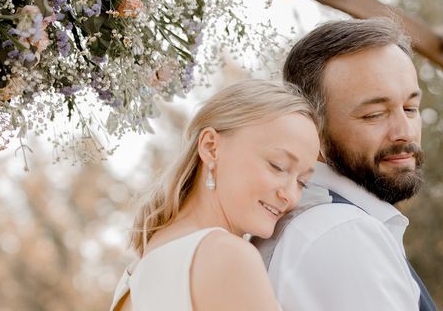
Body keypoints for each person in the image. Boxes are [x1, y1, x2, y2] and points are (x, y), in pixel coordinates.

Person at [255, 18, 437, 311]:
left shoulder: (319, 223)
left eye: (410, 108)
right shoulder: (342, 233)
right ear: (312, 127)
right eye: (374, 114)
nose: (404, 131)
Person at [109, 79, 321, 311]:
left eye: (302, 182)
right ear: (211, 146)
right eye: (277, 166)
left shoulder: (138, 269)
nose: (290, 195)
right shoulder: (226, 255)